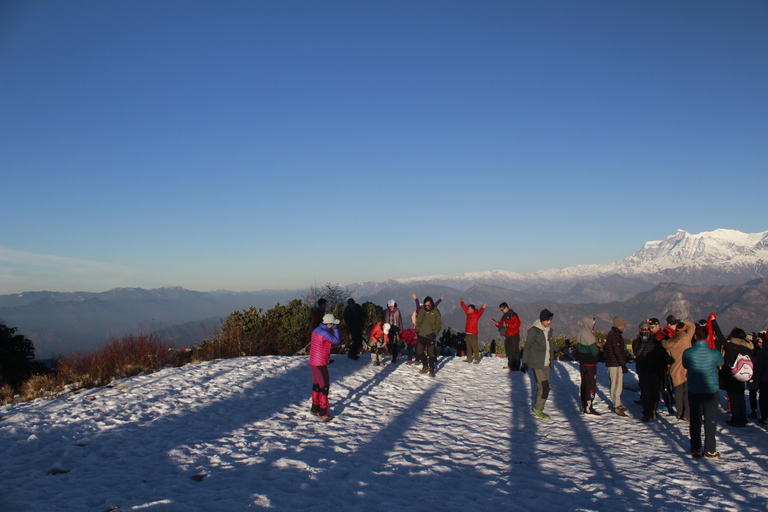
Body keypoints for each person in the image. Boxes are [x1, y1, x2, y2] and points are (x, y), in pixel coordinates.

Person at [683, 325, 724, 459]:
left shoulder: (688, 352)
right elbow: (721, 362)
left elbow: (685, 365)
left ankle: (696, 448)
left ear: (695, 336)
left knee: (695, 420)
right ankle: (710, 448)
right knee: (710, 420)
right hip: (711, 389)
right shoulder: (713, 353)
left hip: (694, 389)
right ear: (708, 337)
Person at [521, 309, 556, 420]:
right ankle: (538, 410)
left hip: (546, 363)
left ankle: (539, 408)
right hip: (537, 363)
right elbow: (528, 346)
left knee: (544, 387)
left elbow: (549, 346)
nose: (549, 322)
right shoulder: (534, 331)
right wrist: (524, 362)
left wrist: (560, 349)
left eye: (550, 319)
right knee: (544, 387)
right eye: (547, 320)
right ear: (542, 320)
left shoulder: (548, 330)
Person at [309, 314, 341, 421]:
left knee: (317, 385)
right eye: (333, 324)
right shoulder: (325, 333)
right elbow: (336, 341)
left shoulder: (316, 330)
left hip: (313, 362)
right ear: (329, 324)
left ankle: (315, 407)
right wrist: (336, 329)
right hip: (320, 363)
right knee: (324, 387)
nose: (334, 325)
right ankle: (323, 412)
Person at [633, 320, 667, 422]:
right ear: (640, 330)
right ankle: (646, 412)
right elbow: (637, 354)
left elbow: (660, 355)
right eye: (644, 329)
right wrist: (643, 342)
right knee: (646, 392)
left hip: (654, 370)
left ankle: (653, 409)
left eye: (648, 329)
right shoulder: (637, 342)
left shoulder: (655, 341)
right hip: (643, 370)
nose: (646, 331)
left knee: (655, 392)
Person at [720, 327, 755, 427]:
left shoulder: (731, 346)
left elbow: (721, 337)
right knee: (740, 397)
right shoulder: (748, 348)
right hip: (743, 375)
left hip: (731, 375)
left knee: (733, 398)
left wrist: (713, 322)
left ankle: (736, 419)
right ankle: (743, 418)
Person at [649, 317, 675, 416]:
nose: (651, 329)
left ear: (658, 325)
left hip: (661, 365)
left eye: (653, 327)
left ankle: (668, 404)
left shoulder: (662, 336)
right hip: (655, 365)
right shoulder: (654, 335)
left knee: (663, 386)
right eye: (650, 327)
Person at [576, 315, 601, 415]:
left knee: (584, 383)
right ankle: (589, 406)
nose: (594, 325)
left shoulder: (580, 333)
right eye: (593, 323)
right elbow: (594, 352)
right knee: (591, 384)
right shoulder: (589, 335)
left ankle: (584, 403)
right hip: (591, 363)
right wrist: (598, 346)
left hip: (583, 362)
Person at [604, 316, 628, 416]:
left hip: (612, 362)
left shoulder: (612, 334)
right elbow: (618, 351)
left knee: (616, 384)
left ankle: (617, 403)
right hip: (615, 364)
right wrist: (623, 364)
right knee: (616, 384)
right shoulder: (615, 335)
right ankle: (616, 405)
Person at [415, 296, 442, 378]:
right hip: (422, 334)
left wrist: (435, 333)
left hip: (431, 335)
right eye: (425, 305)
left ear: (432, 304)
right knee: (419, 351)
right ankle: (425, 366)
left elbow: (439, 324)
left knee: (431, 353)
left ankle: (432, 369)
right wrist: (417, 331)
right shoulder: (422, 310)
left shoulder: (436, 312)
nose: (427, 307)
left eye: (428, 305)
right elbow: (418, 321)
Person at [493, 303, 522, 372]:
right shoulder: (504, 315)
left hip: (514, 335)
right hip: (507, 335)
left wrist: (508, 325)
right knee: (509, 351)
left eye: (502, 310)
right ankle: (510, 365)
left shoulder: (513, 315)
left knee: (514, 351)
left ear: (506, 308)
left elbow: (517, 325)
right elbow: (502, 324)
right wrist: (498, 324)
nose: (502, 311)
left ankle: (515, 367)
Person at [460, 298, 487, 364]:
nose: (468, 310)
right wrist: (461, 302)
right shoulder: (468, 314)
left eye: (469, 309)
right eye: (468, 309)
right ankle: (469, 358)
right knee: (468, 346)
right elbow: (464, 308)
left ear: (472, 309)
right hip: (467, 333)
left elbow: (480, 312)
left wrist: (483, 308)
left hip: (473, 333)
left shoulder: (476, 315)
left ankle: (476, 359)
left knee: (474, 346)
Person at [754, 332, 768, 425]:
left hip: (765, 379)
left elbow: (759, 366)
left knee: (764, 399)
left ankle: (765, 418)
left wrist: (754, 376)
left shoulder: (763, 351)